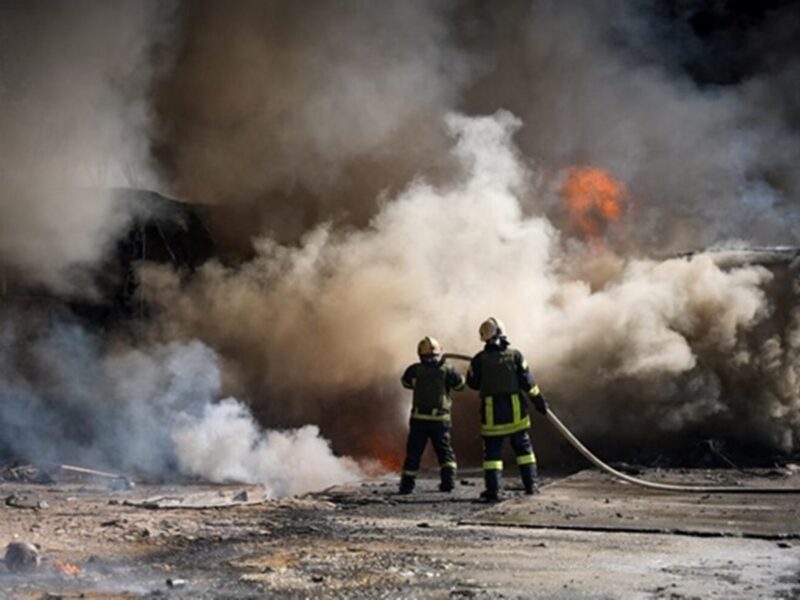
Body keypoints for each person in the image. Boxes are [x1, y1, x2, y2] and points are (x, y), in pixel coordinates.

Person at [467, 317, 549, 502]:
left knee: (493, 456)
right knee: (524, 452)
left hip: (492, 416)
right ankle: (531, 486)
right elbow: (528, 383)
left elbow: (472, 384)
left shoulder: (479, 360)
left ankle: (493, 491)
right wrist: (539, 401)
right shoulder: (516, 356)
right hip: (516, 414)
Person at [399, 336, 465, 495]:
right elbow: (460, 386)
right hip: (440, 420)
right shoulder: (447, 370)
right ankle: (448, 483)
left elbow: (406, 383)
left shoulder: (414, 370)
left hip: (418, 420)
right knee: (444, 453)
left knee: (413, 454)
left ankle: (406, 487)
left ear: (420, 354)